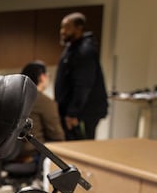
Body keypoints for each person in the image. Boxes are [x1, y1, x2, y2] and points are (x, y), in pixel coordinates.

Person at [54, 12, 108, 140]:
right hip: (72, 112)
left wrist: (73, 113)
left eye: (67, 27)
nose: (62, 31)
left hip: (82, 114)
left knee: (80, 147)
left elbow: (83, 84)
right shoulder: (72, 48)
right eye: (62, 27)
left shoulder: (84, 51)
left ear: (79, 28)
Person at [15, 61, 65, 163]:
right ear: (42, 77)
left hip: (6, 154)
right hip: (32, 155)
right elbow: (57, 136)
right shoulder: (45, 102)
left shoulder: (13, 98)